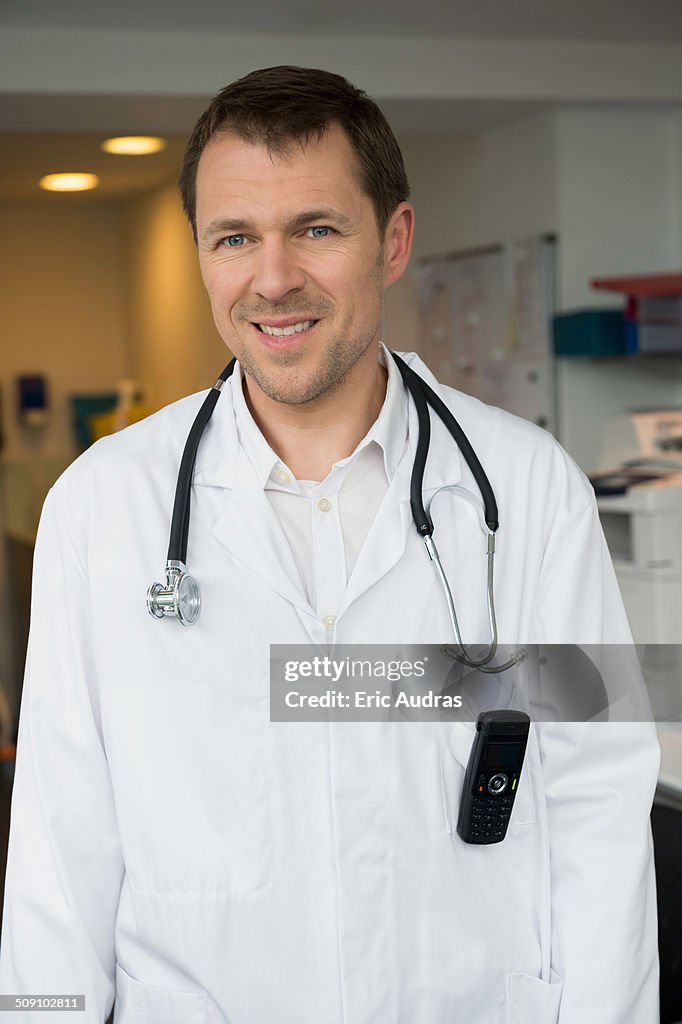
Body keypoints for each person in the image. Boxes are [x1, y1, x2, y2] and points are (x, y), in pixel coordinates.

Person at [0, 66, 659, 1023]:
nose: (273, 279)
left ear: (393, 241)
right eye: (235, 238)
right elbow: (60, 844)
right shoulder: (102, 508)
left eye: (315, 228)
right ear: (200, 252)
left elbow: (597, 809)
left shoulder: (525, 489)